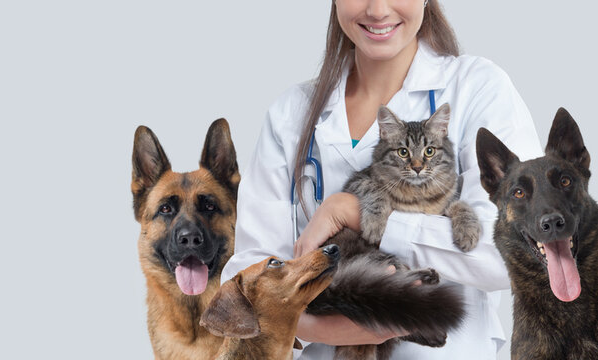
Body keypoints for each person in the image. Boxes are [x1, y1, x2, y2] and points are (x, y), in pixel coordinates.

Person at [220, 0, 544, 358]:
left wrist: (354, 212)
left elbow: (515, 253)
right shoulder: (290, 114)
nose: (377, 10)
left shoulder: (478, 88)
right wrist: (314, 326)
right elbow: (246, 277)